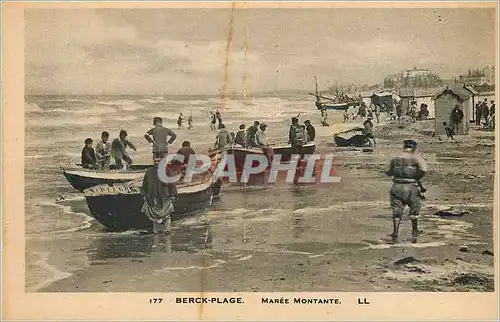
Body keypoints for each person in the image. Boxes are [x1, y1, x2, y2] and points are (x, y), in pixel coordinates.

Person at [385, 139, 428, 243]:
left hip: (397, 186)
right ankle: (415, 230)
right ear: (414, 148)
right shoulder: (416, 157)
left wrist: (396, 174)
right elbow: (423, 170)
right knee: (414, 209)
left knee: (396, 210)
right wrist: (416, 178)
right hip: (411, 186)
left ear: (404, 147)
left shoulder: (395, 157)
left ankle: (395, 232)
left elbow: (388, 172)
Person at [141, 155, 179, 234]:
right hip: (153, 197)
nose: (157, 163)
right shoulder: (149, 172)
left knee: (167, 215)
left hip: (165, 197)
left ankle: (167, 230)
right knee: (154, 217)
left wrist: (173, 196)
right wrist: (144, 195)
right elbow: (144, 185)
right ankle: (155, 231)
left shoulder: (167, 171)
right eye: (155, 161)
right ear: (153, 161)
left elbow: (172, 184)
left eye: (159, 161)